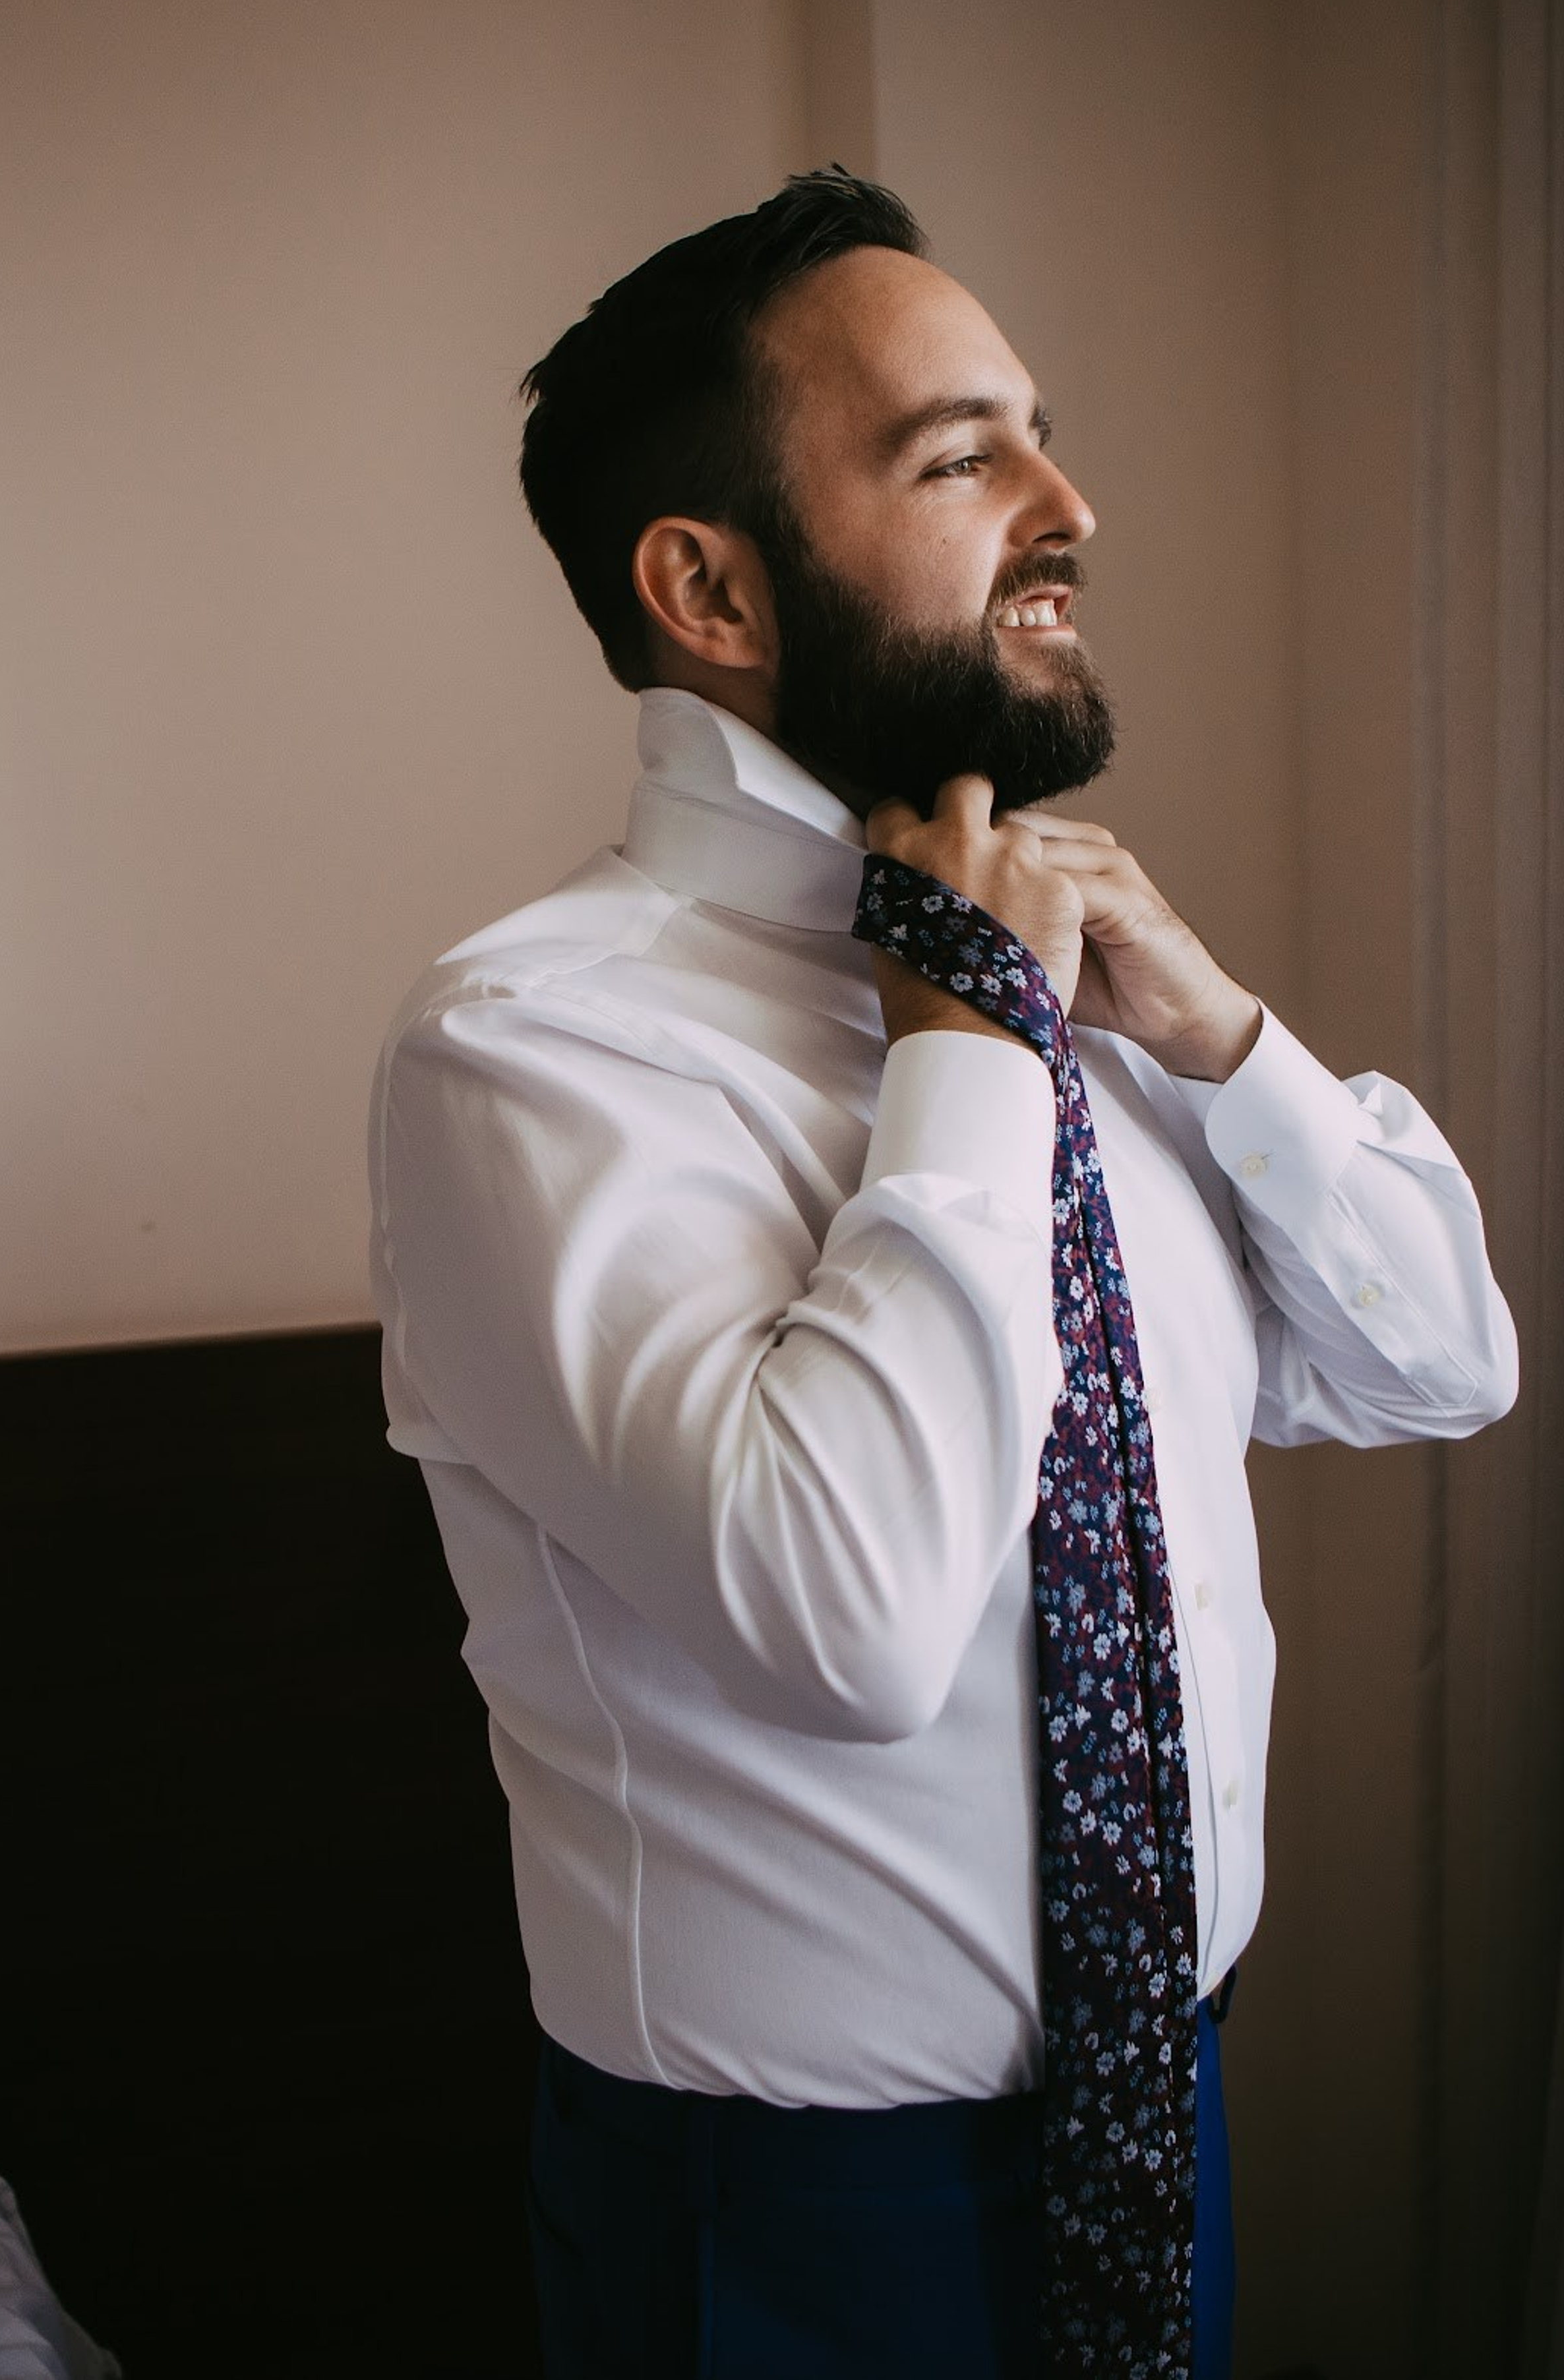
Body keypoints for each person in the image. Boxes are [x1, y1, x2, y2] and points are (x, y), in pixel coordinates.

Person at [367, 171, 1517, 2379]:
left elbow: (1442, 1364)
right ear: (706, 583)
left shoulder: (1083, 982)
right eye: (963, 455)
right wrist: (969, 1066)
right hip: (786, 2220)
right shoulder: (526, 1054)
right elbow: (852, 1615)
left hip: (1166, 2106)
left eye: (1044, 431)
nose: (1069, 503)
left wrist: (1222, 1038)